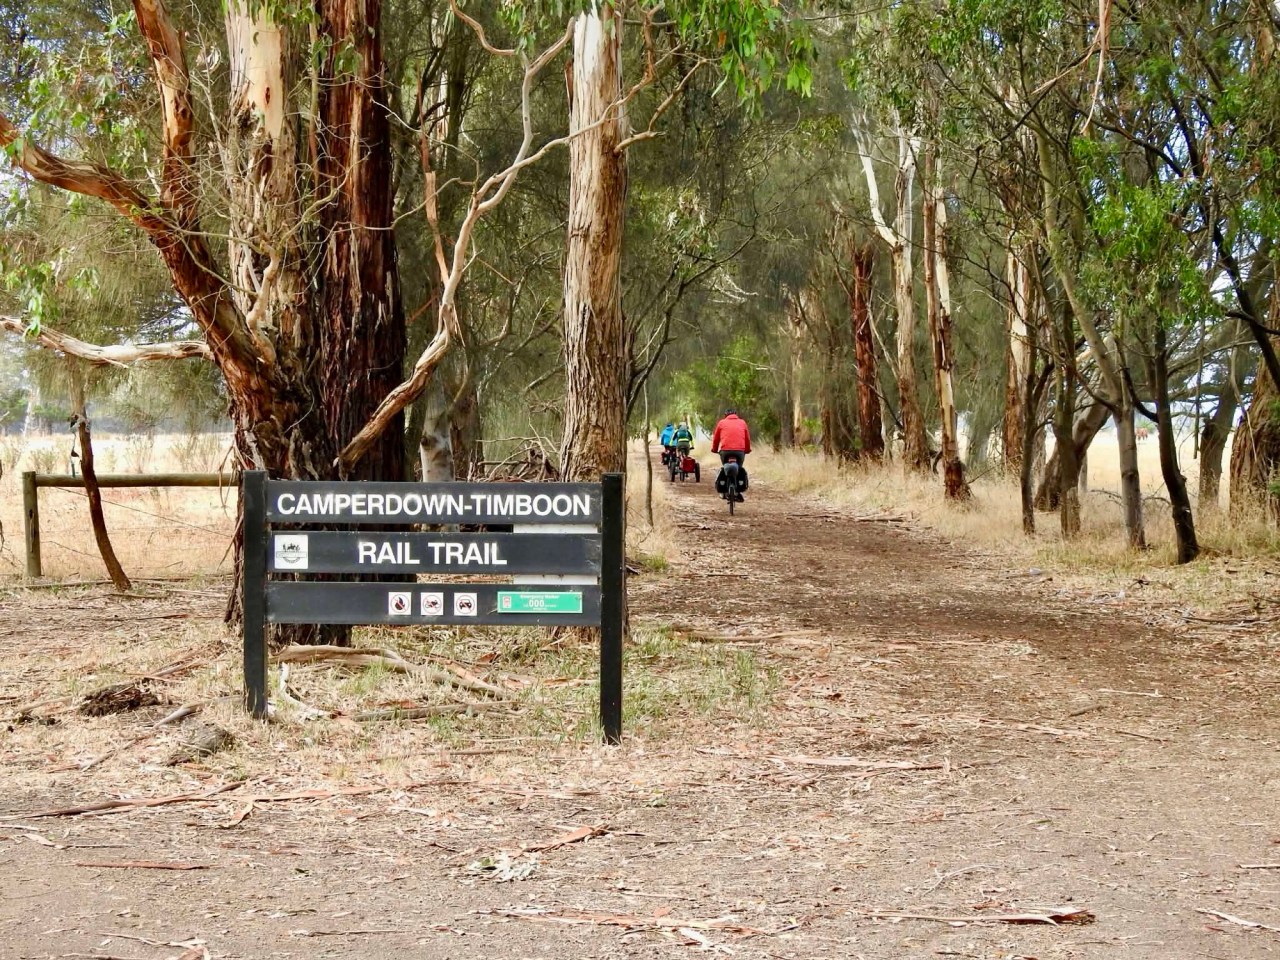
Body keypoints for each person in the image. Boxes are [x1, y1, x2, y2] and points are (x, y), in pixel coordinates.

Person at [711, 408, 751, 501]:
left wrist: (714, 449)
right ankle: (738, 491)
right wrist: (747, 450)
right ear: (736, 415)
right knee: (739, 468)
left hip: (725, 451)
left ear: (725, 415)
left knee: (725, 467)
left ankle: (724, 491)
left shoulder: (721, 423)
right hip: (739, 451)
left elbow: (716, 439)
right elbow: (747, 439)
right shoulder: (742, 422)